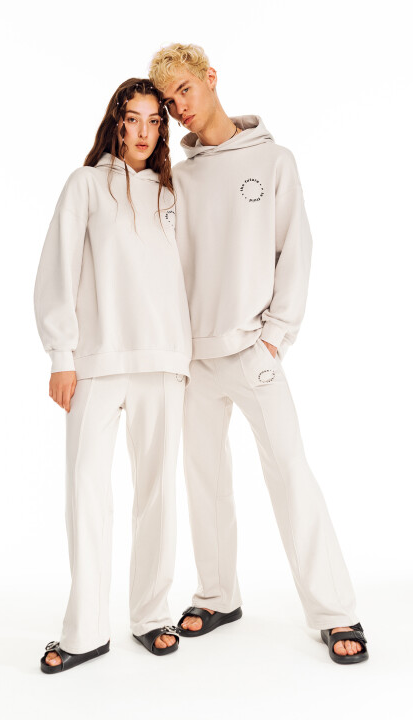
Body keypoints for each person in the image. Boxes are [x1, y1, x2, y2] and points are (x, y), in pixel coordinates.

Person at [148, 44, 369, 665]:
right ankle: (217, 596)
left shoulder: (274, 161)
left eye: (185, 90)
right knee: (204, 479)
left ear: (211, 79)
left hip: (254, 350)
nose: (178, 108)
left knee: (290, 472)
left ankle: (335, 611)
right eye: (168, 102)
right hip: (193, 358)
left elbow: (295, 250)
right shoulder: (179, 178)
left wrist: (276, 336)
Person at [33, 78, 192, 673]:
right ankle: (85, 630)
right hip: (97, 362)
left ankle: (151, 615)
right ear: (117, 123)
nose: (144, 131)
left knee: (157, 495)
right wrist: (61, 355)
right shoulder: (86, 185)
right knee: (86, 495)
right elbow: (57, 268)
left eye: (155, 120)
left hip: (164, 361)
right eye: (134, 119)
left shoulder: (172, 193)